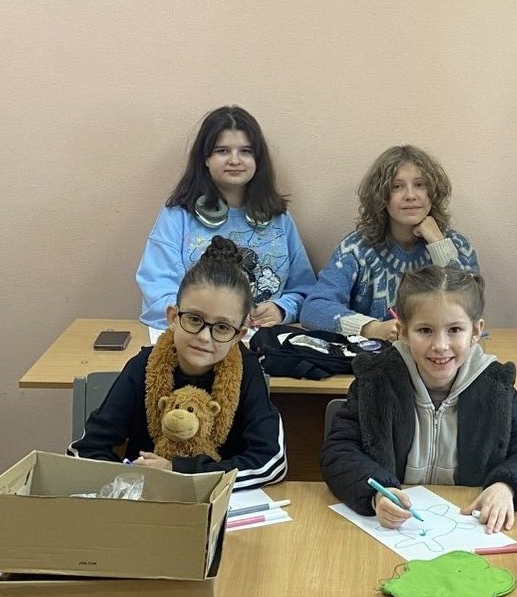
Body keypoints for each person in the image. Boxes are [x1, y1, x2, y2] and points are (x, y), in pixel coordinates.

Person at [320, 265, 517, 533]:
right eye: (425, 330)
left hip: (469, 527)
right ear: (403, 331)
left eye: (454, 329)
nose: (440, 345)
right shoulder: (376, 381)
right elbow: (338, 451)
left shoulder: (496, 388)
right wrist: (377, 493)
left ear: (476, 331)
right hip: (394, 529)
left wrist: (506, 487)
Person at [71, 236, 288, 490]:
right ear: (173, 317)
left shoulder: (248, 371)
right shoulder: (142, 366)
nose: (204, 337)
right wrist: (131, 483)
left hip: (223, 505)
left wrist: (178, 472)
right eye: (194, 319)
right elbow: (85, 451)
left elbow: (272, 463)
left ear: (238, 335)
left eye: (222, 327)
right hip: (146, 498)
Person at [136, 105, 314, 330]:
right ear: (205, 158)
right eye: (222, 151)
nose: (235, 160)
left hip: (261, 340)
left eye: (246, 151)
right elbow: (157, 293)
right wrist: (209, 319)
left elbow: (306, 291)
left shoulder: (279, 218)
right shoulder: (177, 216)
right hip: (198, 338)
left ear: (257, 159)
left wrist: (282, 309)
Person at [300, 145, 478, 341]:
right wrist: (371, 328)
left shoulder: (457, 245)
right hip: (376, 355)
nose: (410, 195)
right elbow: (314, 308)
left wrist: (439, 244)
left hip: (442, 353)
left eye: (420, 184)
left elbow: (472, 307)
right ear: (381, 196)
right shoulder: (357, 249)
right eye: (397, 186)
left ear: (433, 193)